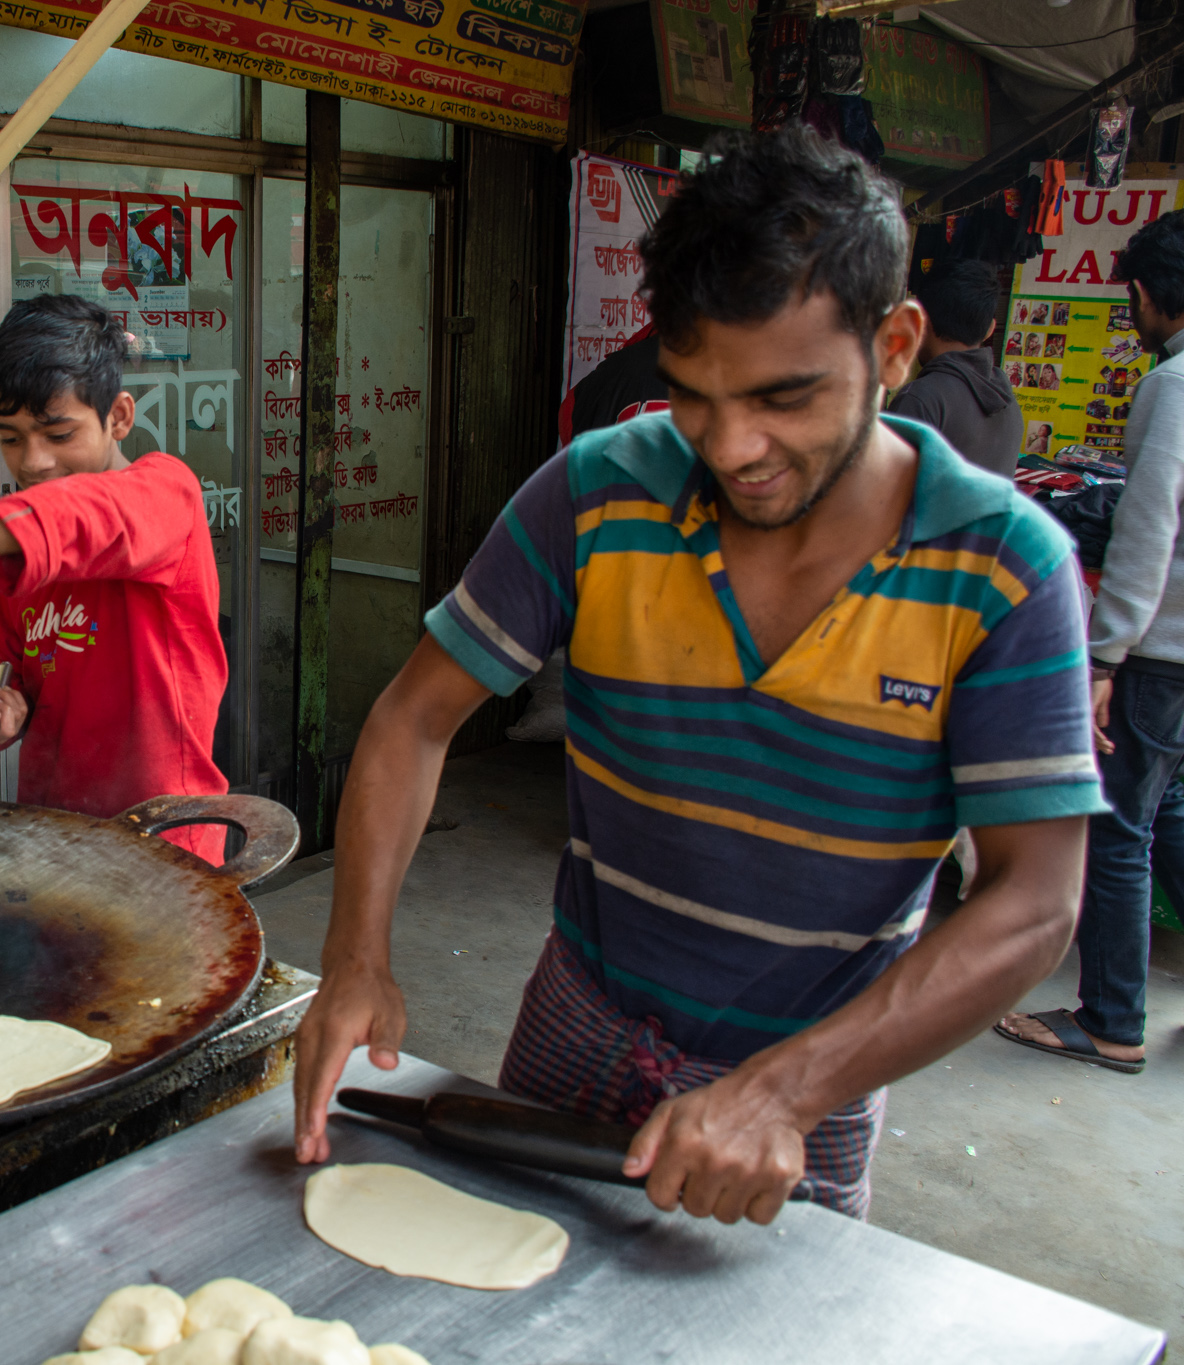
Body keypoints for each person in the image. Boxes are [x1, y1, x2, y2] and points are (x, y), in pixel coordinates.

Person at [290, 126, 1103, 1223]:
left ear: (896, 345)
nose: (730, 448)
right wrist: (355, 958)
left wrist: (784, 1089)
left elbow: (1031, 903)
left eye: (782, 398)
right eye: (693, 394)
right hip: (572, 1030)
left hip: (804, 1094)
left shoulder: (1003, 568)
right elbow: (411, 719)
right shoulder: (597, 493)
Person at [0, 294, 229, 863]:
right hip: (57, 839)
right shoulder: (20, 546)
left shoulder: (166, 493)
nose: (33, 462)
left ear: (117, 416)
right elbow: (16, 669)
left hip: (165, 846)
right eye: (11, 437)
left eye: (58, 434)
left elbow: (96, 516)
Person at [997, 210, 1184, 1075]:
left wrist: (1104, 656)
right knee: (1172, 814)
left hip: (1161, 650)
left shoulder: (1174, 384)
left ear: (1146, 295)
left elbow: (1147, 532)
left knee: (1118, 829)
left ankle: (1111, 1016)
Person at [887, 259, 1020, 477]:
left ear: (921, 322)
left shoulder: (922, 397)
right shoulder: (1008, 401)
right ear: (989, 330)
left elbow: (880, 490)